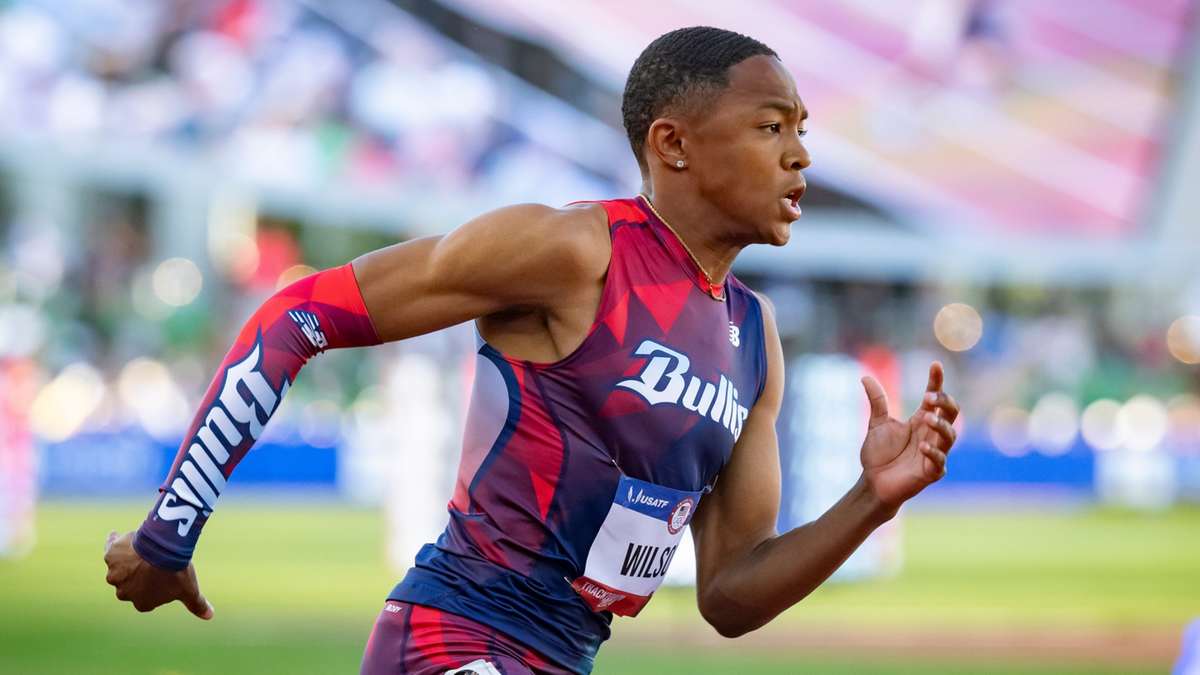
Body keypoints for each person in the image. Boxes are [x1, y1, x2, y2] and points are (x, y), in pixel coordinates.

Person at [103, 26, 959, 675]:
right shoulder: (575, 252)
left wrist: (872, 499)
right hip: (451, 637)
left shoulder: (754, 337)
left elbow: (731, 596)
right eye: (772, 127)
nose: (802, 154)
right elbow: (296, 316)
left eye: (803, 128)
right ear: (674, 144)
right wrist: (171, 533)